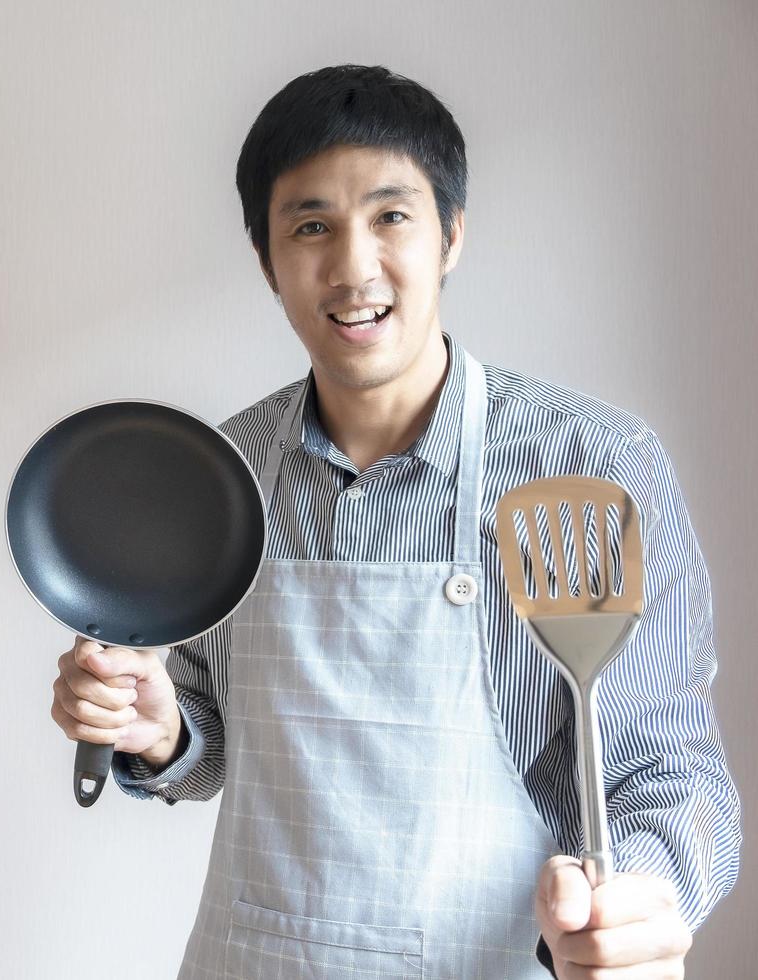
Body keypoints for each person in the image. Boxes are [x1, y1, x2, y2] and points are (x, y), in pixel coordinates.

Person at [49, 64, 740, 978]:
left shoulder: (592, 466)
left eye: (391, 216)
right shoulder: (227, 476)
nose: (352, 266)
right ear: (268, 261)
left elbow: (671, 771)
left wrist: (640, 901)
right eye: (310, 227)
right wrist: (162, 731)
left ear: (451, 234)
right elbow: (209, 744)